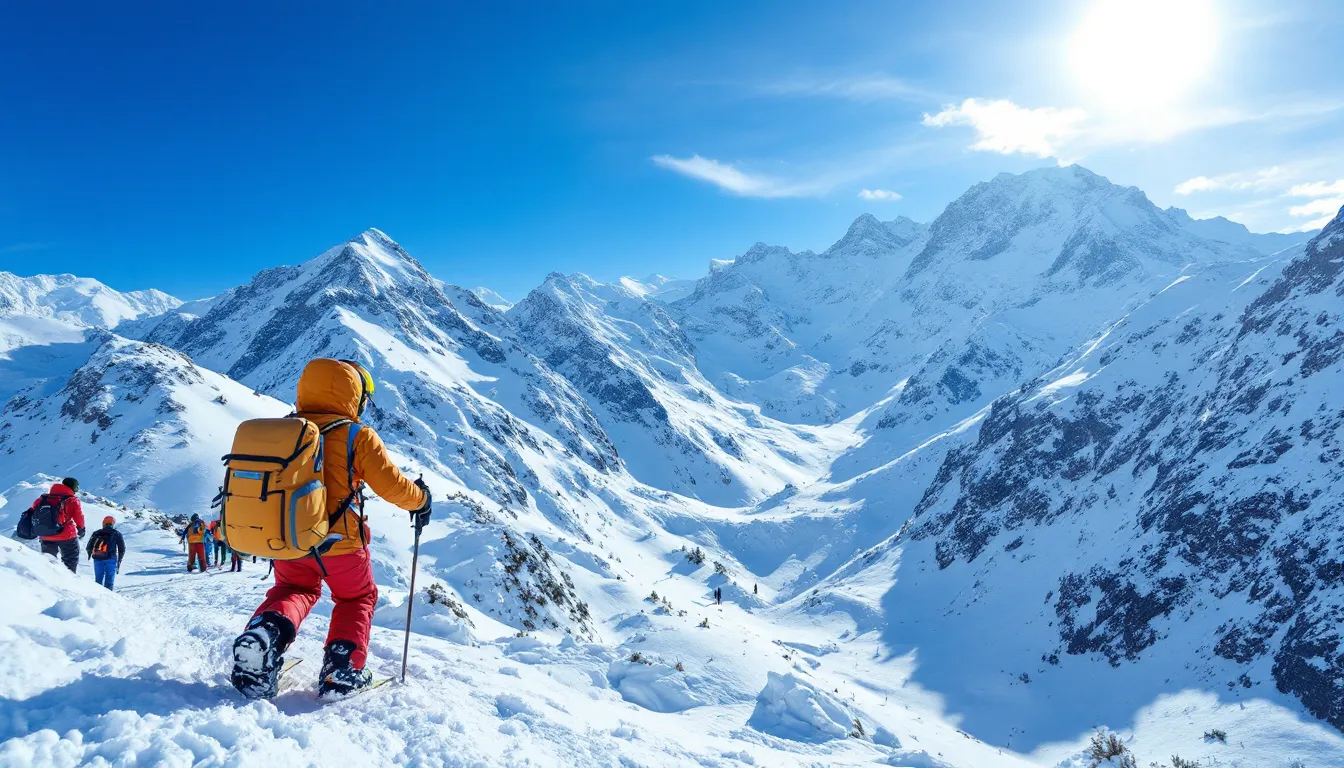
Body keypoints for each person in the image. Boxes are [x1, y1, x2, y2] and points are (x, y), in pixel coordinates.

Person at [231, 359, 430, 699]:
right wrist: (421, 500)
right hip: (341, 545)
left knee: (293, 590)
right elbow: (393, 487)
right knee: (356, 597)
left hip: (290, 539)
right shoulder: (357, 435)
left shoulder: (287, 431)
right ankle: (342, 670)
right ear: (354, 396)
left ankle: (264, 636)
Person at [30, 478, 85, 573]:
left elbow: (34, 511)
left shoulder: (42, 499)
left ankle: (48, 580)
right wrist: (81, 529)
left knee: (49, 561)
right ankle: (70, 580)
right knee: (70, 559)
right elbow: (78, 517)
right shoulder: (72, 500)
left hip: (45, 535)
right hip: (66, 535)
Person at [86, 516, 126, 590]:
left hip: (97, 558)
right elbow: (122, 549)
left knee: (98, 579)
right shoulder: (116, 533)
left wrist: (89, 555)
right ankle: (108, 597)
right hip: (111, 559)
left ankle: (97, 596)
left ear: (103, 523)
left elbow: (89, 546)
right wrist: (119, 560)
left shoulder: (97, 533)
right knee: (109, 580)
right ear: (112, 523)